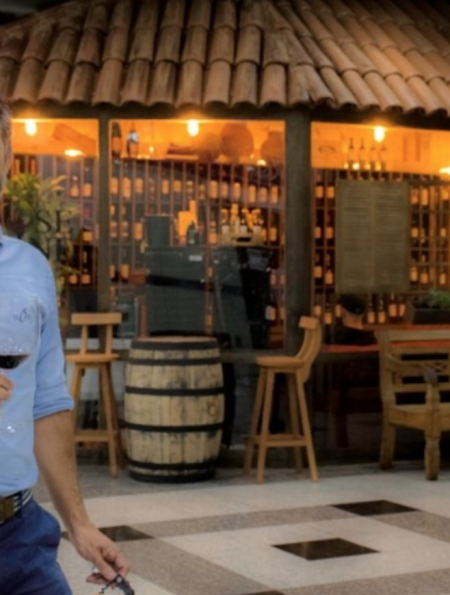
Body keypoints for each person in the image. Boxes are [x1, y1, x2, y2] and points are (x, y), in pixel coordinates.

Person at [0, 99, 129, 593]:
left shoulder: (30, 269)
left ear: (6, 161)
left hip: (18, 535)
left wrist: (79, 523)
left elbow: (47, 404)